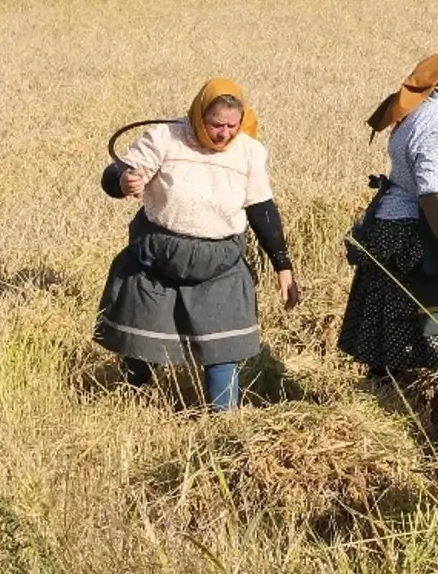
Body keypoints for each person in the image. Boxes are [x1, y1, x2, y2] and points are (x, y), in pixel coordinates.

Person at [95, 79, 301, 412]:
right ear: (197, 116)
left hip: (220, 262)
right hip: (158, 255)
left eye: (232, 126)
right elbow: (115, 173)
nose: (224, 134)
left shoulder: (248, 151)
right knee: (142, 338)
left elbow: (262, 210)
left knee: (224, 346)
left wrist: (283, 265)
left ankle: (223, 419)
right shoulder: (166, 138)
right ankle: (133, 399)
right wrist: (122, 181)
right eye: (216, 124)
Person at [338, 50, 438, 444]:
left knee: (390, 321)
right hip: (424, 233)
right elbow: (432, 196)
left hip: (395, 227)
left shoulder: (429, 115)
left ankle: (383, 417)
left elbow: (428, 173)